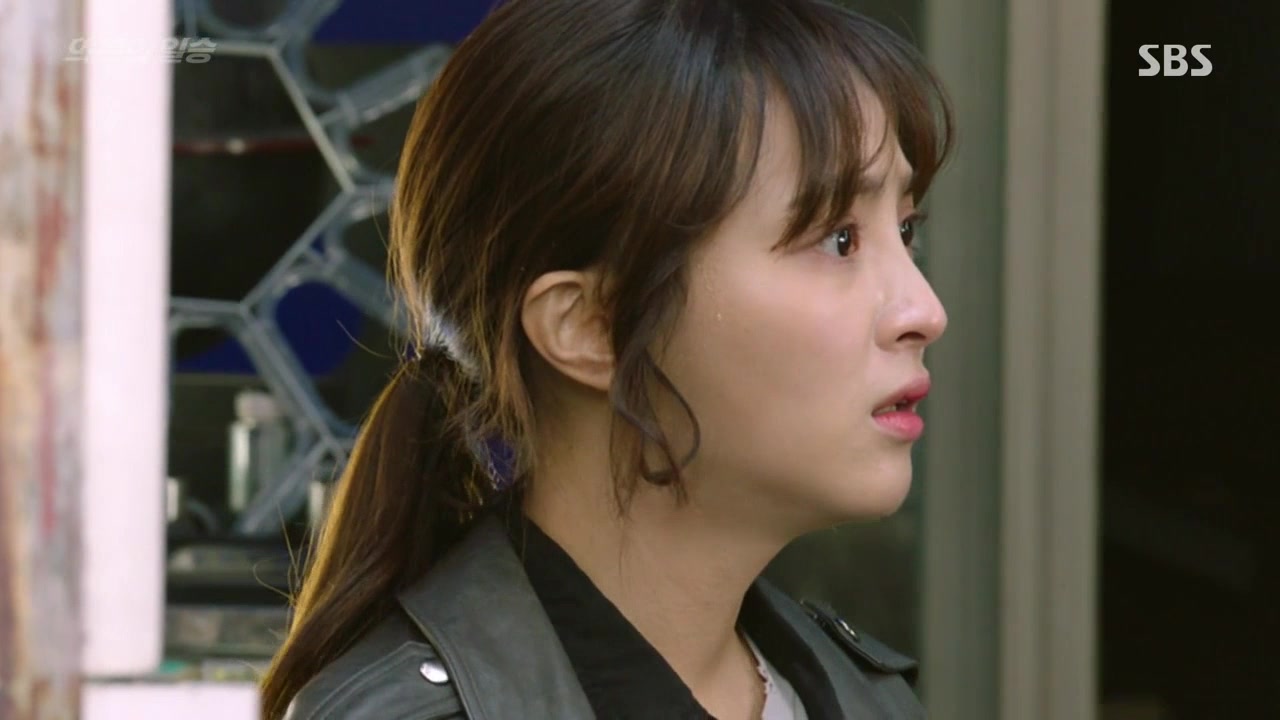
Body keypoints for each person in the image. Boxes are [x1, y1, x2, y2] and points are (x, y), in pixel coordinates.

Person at [262, 0, 953, 717]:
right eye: (839, 240)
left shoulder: (862, 697)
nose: (924, 311)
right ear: (590, 325)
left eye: (906, 230)